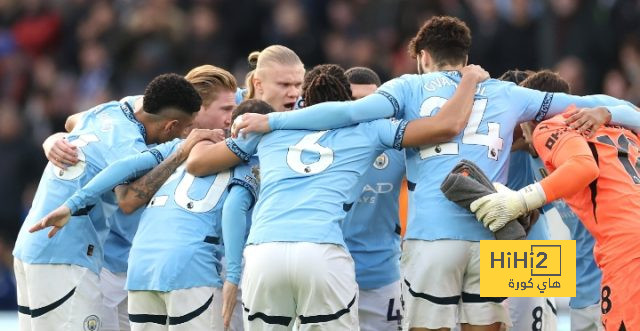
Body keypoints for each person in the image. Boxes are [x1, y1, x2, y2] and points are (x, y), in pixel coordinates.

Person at [230, 16, 640, 331]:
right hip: (512, 244)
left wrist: (273, 124)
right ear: (467, 55)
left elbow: (350, 112)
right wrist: (608, 111)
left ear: (422, 56)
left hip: (432, 236)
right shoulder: (508, 94)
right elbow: (609, 106)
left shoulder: (406, 90)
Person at [187, 63, 490, 330]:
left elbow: (200, 166)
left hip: (265, 253)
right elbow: (445, 127)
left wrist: (190, 141)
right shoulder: (372, 131)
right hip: (332, 252)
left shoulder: (266, 131)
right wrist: (469, 82)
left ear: (303, 99)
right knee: (503, 316)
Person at [33, 99, 272, 330]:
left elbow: (123, 167)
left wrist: (71, 205)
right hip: (191, 268)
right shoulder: (252, 163)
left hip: (141, 267)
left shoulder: (186, 144)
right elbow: (234, 209)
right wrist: (232, 277)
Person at [13, 73, 202, 331]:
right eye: (186, 127)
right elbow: (127, 199)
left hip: (35, 246)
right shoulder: (129, 148)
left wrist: (52, 140)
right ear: (171, 126)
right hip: (65, 253)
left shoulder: (111, 109)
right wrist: (179, 152)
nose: (187, 133)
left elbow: (71, 122)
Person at [343, 66, 406, 331]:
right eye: (355, 102)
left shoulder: (399, 148)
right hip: (332, 276)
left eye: (372, 103)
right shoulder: (320, 147)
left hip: (382, 275)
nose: (364, 111)